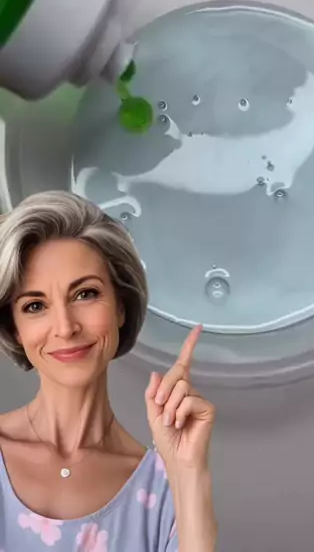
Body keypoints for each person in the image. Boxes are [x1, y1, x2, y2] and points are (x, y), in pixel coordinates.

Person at [0, 190, 217, 551]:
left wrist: (188, 473)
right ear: (15, 329)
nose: (65, 327)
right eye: (35, 306)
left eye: (85, 294)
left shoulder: (166, 486)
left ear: (121, 306)